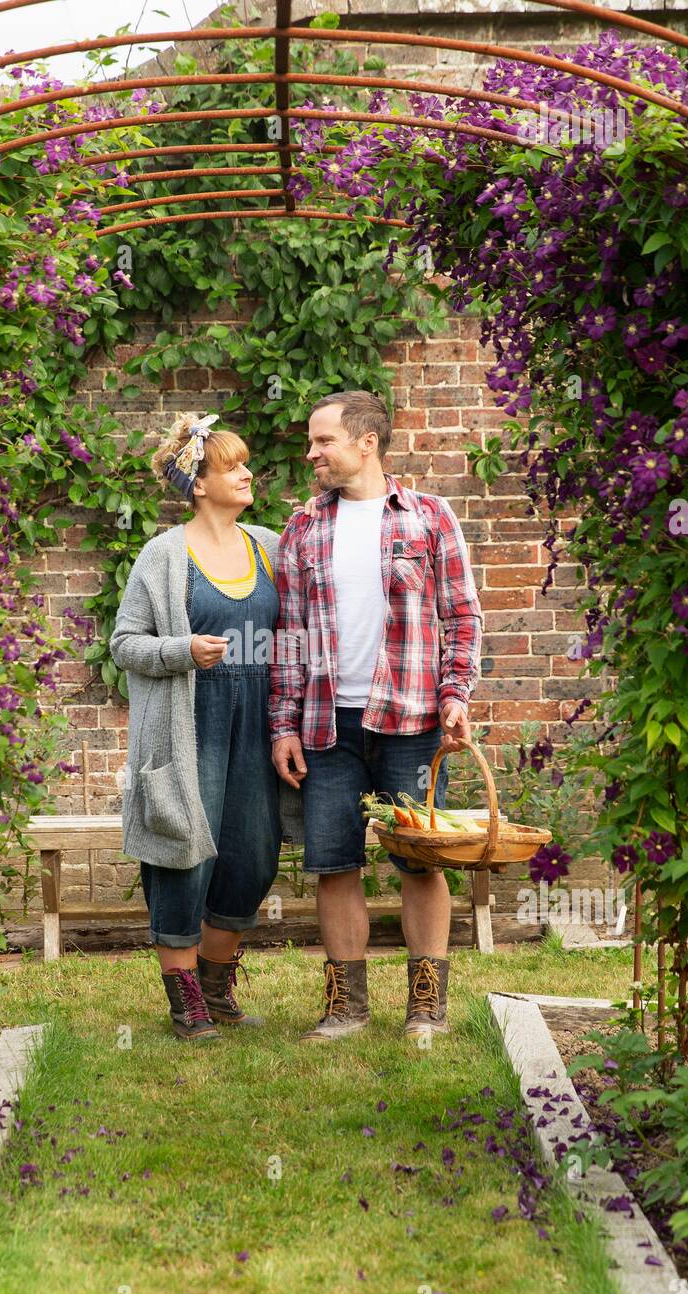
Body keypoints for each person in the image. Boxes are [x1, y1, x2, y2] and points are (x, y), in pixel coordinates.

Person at [270, 390, 483, 1042]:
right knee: (333, 865)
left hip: (413, 722)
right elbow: (288, 637)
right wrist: (282, 724)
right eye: (311, 442)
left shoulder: (429, 518)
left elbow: (462, 616)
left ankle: (427, 1008)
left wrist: (455, 694)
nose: (312, 454)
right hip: (327, 725)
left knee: (421, 862)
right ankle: (345, 1008)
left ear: (366, 443)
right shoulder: (303, 530)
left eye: (323, 441)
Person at [110, 412, 301, 1041]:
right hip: (190, 726)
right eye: (233, 467)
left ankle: (218, 987)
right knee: (182, 853)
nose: (247, 474)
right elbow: (125, 644)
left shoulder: (269, 546)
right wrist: (181, 651)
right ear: (199, 484)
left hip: (257, 725)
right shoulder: (162, 556)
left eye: (245, 464)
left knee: (253, 854)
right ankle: (185, 999)